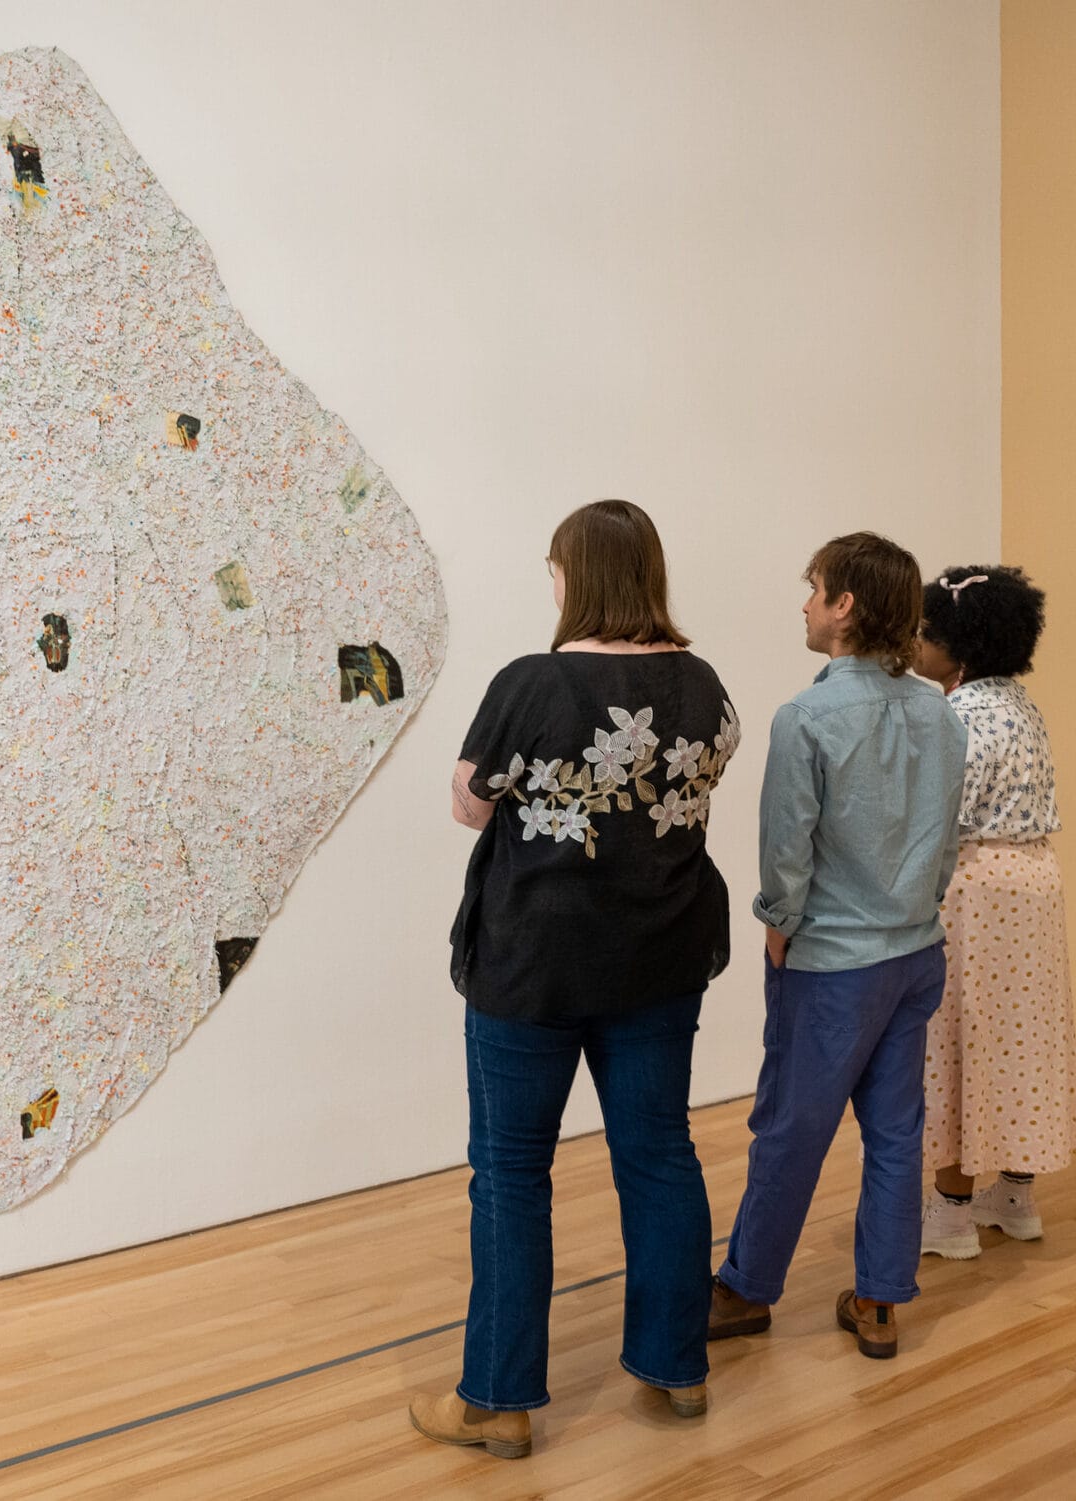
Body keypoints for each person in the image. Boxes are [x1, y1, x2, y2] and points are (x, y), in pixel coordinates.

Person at [408, 499, 741, 1460]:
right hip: (660, 959)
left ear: (575, 576)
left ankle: (499, 1402)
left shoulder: (534, 682)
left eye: (554, 567)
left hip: (533, 966)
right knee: (659, 1153)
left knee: (513, 1175)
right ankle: (678, 1371)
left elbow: (472, 806)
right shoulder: (704, 682)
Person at [708, 533, 966, 1361]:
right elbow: (946, 842)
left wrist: (778, 922)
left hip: (833, 962)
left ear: (845, 605)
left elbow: (787, 849)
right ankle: (880, 1302)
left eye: (814, 588)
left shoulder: (807, 716)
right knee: (896, 1128)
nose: (806, 603)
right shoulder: (939, 710)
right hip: (917, 952)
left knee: (791, 1125)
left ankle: (747, 1289)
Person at [912, 566, 1076, 1259]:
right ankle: (1015, 1198)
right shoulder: (1022, 706)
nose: (915, 644)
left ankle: (951, 1214)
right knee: (1024, 1035)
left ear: (964, 644)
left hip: (976, 888)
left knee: (960, 1038)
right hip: (1035, 882)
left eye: (927, 633)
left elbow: (938, 819)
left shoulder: (957, 717)